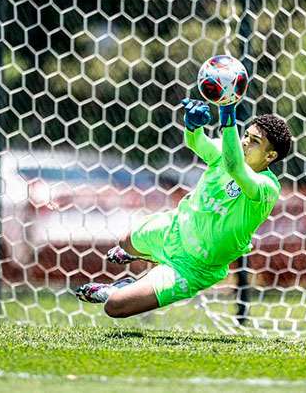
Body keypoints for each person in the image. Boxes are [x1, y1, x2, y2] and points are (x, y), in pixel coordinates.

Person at [75, 98, 293, 318]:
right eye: (245, 135)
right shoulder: (227, 151)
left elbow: (235, 166)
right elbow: (197, 143)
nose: (245, 142)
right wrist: (192, 126)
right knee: (125, 242)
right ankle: (146, 259)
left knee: (115, 307)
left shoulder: (267, 188)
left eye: (254, 141)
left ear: (270, 156)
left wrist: (227, 110)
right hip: (176, 228)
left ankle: (119, 290)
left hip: (194, 267)